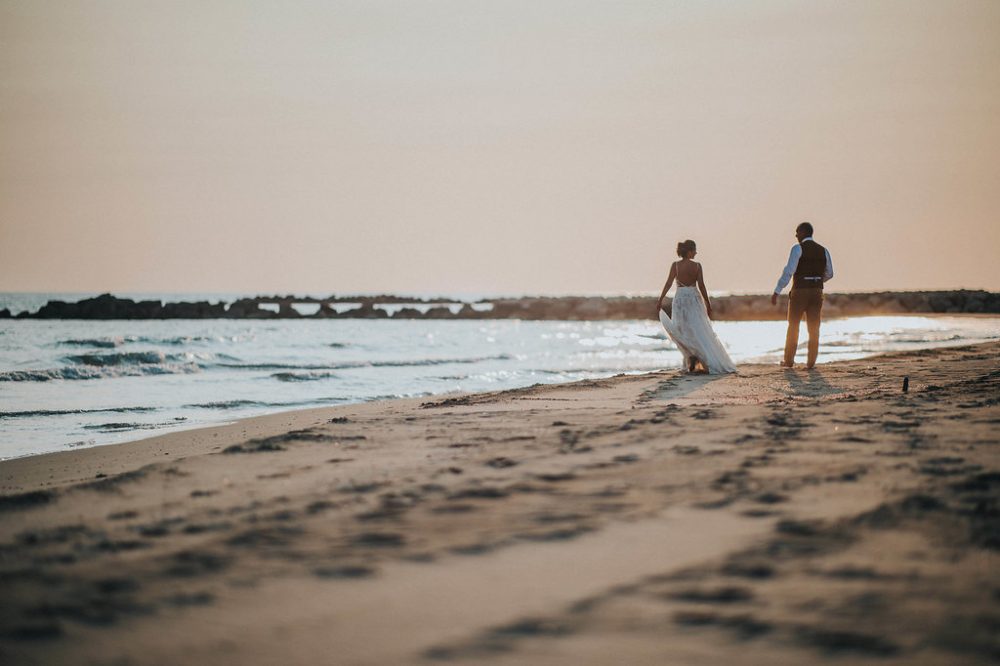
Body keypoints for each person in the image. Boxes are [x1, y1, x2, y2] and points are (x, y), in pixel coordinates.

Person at [656, 240, 736, 374]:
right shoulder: (697, 266)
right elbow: (702, 286)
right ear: (689, 251)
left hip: (680, 300)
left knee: (683, 329)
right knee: (698, 329)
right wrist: (708, 303)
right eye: (694, 250)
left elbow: (669, 283)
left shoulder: (675, 265)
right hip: (694, 299)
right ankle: (695, 357)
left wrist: (660, 299)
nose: (696, 252)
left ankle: (692, 357)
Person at [770, 221, 834, 369]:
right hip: (817, 292)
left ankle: (789, 361)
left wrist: (777, 290)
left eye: (797, 232)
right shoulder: (824, 250)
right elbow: (830, 273)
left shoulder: (797, 249)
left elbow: (789, 271)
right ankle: (811, 363)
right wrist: (817, 281)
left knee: (793, 325)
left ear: (804, 232)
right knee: (814, 328)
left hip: (799, 292)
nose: (796, 235)